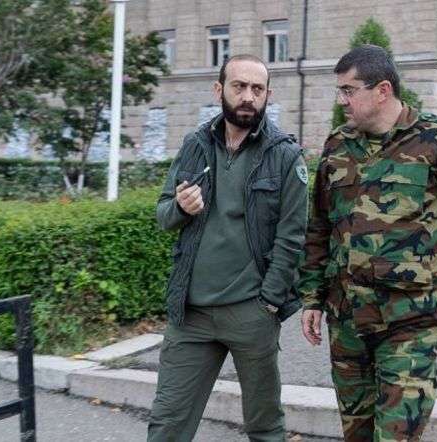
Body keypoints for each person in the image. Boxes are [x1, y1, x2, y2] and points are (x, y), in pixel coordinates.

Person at [297, 45, 437, 442]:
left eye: (348, 90)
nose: (341, 100)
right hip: (347, 320)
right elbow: (320, 226)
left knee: (397, 435)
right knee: (357, 434)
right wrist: (312, 297)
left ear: (382, 90)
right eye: (340, 91)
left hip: (410, 321)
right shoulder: (337, 145)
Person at [148, 54, 308, 441]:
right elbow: (164, 215)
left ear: (268, 94)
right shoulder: (195, 145)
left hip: (251, 312)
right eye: (239, 86)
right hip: (191, 315)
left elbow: (293, 237)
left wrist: (270, 302)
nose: (248, 96)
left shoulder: (285, 155)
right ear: (219, 90)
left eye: (257, 89)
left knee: (265, 427)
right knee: (167, 424)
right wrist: (180, 208)